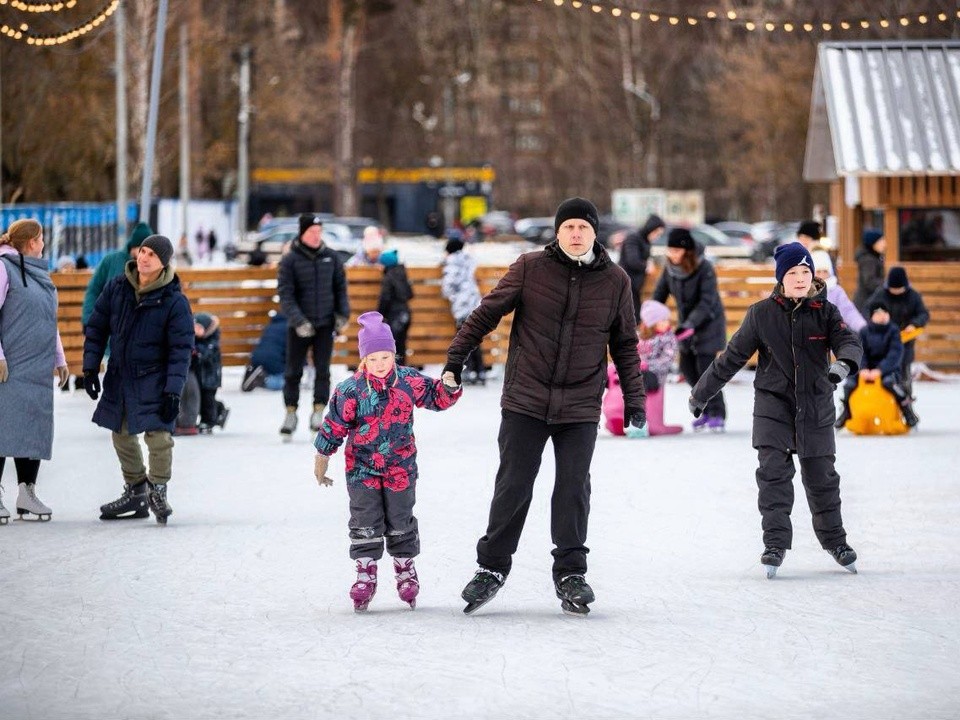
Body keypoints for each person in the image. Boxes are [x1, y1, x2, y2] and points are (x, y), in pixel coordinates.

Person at [443, 197, 645, 616]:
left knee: (573, 488)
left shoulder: (615, 280)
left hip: (580, 404)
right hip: (526, 398)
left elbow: (625, 344)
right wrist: (454, 360)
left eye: (583, 228)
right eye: (568, 226)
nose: (575, 234)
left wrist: (634, 398)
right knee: (513, 484)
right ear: (557, 231)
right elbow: (487, 313)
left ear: (594, 233)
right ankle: (491, 567)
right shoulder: (530, 267)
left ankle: (571, 572)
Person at [688, 242, 863, 577]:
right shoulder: (761, 314)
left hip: (815, 405)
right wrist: (701, 394)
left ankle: (835, 541)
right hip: (773, 407)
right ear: (781, 277)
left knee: (822, 479)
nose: (800, 278)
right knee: (773, 476)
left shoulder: (825, 312)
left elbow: (849, 342)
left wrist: (843, 364)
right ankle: (775, 544)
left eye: (805, 272)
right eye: (793, 272)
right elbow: (732, 358)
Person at [313, 311, 461, 612]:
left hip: (400, 467)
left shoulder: (408, 380)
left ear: (393, 354)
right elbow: (334, 425)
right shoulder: (350, 390)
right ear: (363, 360)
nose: (380, 364)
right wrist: (322, 457)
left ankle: (405, 568)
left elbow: (436, 398)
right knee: (365, 519)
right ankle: (365, 573)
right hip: (362, 470)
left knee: (400, 518)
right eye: (373, 359)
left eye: (385, 357)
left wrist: (450, 385)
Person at [82, 235, 194, 524]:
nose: (143, 258)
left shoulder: (174, 301)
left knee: (159, 436)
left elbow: (180, 351)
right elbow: (97, 327)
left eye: (152, 255)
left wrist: (172, 391)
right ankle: (136, 491)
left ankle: (157, 490)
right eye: (142, 251)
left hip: (154, 378)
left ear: (163, 263)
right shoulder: (117, 287)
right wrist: (91, 367)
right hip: (120, 375)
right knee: (120, 432)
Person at [0, 219, 70, 523]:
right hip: (10, 365)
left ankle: (27, 494)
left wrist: (59, 358)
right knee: (4, 426)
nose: (44, 244)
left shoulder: (41, 274)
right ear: (32, 242)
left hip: (37, 367)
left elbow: (47, 319)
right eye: (42, 239)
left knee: (32, 426)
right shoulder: (3, 268)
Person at [276, 213, 350, 439]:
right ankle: (291, 412)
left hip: (325, 323)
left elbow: (340, 289)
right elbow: (285, 294)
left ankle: (318, 412)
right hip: (299, 325)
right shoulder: (290, 260)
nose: (316, 236)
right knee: (293, 371)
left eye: (319, 232)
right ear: (303, 233)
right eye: (312, 232)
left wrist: (342, 315)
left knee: (322, 370)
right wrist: (299, 321)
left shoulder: (332, 257)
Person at [651, 227, 728, 431]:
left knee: (706, 370)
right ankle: (704, 409)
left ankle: (717, 413)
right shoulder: (669, 270)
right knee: (687, 368)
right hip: (687, 326)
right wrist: (649, 317)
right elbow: (659, 295)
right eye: (670, 250)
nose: (672, 255)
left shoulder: (705, 268)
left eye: (677, 251)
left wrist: (690, 324)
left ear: (687, 251)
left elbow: (707, 302)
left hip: (708, 323)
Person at [836, 299, 918, 429]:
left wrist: (880, 370)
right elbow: (861, 352)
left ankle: (906, 408)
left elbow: (894, 354)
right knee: (850, 384)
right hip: (867, 369)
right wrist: (862, 369)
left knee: (889, 383)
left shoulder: (893, 331)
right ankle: (846, 411)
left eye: (885, 312)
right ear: (872, 315)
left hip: (888, 369)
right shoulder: (864, 332)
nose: (882, 315)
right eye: (878, 313)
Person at [866, 266, 929, 398]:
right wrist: (876, 320)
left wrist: (914, 324)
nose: (895, 292)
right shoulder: (880, 294)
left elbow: (923, 314)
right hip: (883, 341)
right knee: (884, 373)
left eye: (898, 289)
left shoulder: (913, 296)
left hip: (906, 342)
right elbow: (867, 310)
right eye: (892, 289)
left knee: (904, 375)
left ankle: (906, 403)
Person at [633, 299, 691, 436]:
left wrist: (649, 365)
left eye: (667, 319)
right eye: (663, 320)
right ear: (651, 323)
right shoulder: (640, 336)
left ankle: (655, 423)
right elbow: (631, 353)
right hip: (636, 378)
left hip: (656, 379)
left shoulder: (668, 337)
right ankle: (634, 424)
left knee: (653, 402)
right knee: (636, 401)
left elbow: (668, 358)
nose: (667, 323)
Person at [81, 221, 153, 328]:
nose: (145, 256)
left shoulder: (152, 266)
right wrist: (89, 321)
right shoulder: (111, 261)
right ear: (134, 247)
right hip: (110, 330)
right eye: (142, 250)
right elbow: (94, 290)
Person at [176, 312, 230, 435]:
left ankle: (209, 420)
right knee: (200, 399)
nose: (196, 331)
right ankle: (218, 410)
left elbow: (206, 354)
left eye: (199, 328)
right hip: (200, 375)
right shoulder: (194, 339)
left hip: (210, 377)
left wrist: (198, 352)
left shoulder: (211, 341)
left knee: (207, 400)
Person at [441, 237, 485, 385]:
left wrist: (448, 292)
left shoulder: (452, 263)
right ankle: (479, 370)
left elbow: (448, 286)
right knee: (474, 338)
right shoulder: (468, 260)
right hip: (474, 302)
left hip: (462, 305)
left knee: (464, 340)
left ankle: (469, 370)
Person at [619, 213, 665, 324]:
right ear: (651, 228)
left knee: (636, 316)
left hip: (636, 285)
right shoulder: (633, 238)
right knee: (631, 317)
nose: (657, 236)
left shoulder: (646, 241)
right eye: (656, 233)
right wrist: (646, 266)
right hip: (627, 283)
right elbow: (632, 260)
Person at [810, 250, 866, 333]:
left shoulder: (836, 290)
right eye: (818, 272)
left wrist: (863, 328)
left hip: (833, 333)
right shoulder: (805, 291)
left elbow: (848, 311)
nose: (822, 275)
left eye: (825, 271)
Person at [377, 248, 413, 365]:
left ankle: (395, 374)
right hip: (405, 314)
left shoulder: (389, 277)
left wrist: (379, 315)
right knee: (401, 346)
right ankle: (402, 373)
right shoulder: (402, 274)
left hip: (394, 316)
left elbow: (385, 298)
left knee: (392, 347)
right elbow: (410, 294)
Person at [241, 313, 288, 392]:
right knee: (286, 383)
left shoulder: (271, 325)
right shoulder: (290, 327)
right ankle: (262, 381)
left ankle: (253, 373)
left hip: (256, 357)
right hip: (274, 359)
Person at [853, 228, 885, 313]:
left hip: (869, 301)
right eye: (881, 241)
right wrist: (885, 285)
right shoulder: (868, 260)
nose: (884, 244)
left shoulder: (874, 258)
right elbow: (870, 282)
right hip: (866, 303)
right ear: (873, 243)